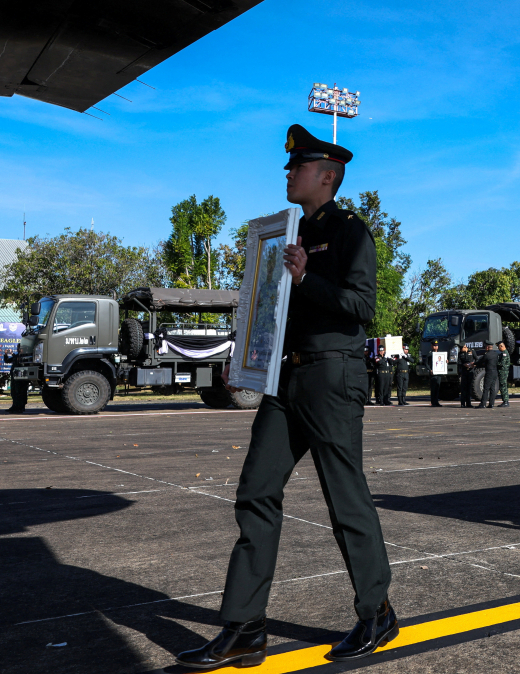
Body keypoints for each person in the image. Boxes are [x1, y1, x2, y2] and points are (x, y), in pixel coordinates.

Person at [178, 124, 396, 669]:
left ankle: (376, 611)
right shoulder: (286, 233)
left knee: (344, 498)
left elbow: (362, 306)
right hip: (285, 377)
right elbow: (269, 311)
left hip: (331, 376)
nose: (288, 172)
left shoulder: (350, 231)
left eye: (298, 166)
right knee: (255, 490)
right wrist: (245, 361)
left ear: (327, 176)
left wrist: (305, 279)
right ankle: (245, 628)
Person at [4, 344, 28, 413]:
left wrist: (12, 354)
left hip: (21, 378)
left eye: (19, 348)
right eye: (18, 348)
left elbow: (19, 361)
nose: (18, 349)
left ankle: (21, 407)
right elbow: (7, 361)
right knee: (14, 392)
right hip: (15, 376)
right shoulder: (16, 356)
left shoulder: (25, 356)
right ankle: (14, 406)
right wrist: (6, 355)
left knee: (20, 392)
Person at [478, 341, 499, 408]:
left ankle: (483, 404)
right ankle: (491, 404)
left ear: (487, 347)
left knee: (486, 388)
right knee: (492, 388)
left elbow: (480, 361)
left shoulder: (487, 355)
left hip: (489, 372)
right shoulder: (495, 354)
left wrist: (474, 364)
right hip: (495, 372)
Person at [425, 341, 443, 407]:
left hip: (439, 373)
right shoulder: (430, 354)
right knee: (433, 388)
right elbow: (426, 363)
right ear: (431, 346)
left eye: (436, 345)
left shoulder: (440, 354)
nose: (435, 347)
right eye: (434, 345)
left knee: (438, 387)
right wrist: (430, 370)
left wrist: (446, 361)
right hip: (433, 373)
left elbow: (442, 361)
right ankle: (433, 402)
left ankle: (436, 401)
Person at [497, 341, 511, 407]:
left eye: (499, 347)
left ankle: (505, 401)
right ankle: (505, 401)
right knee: (503, 386)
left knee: (503, 387)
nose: (498, 348)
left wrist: (495, 363)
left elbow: (502, 363)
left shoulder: (504, 354)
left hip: (503, 372)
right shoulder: (504, 353)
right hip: (502, 372)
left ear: (502, 346)